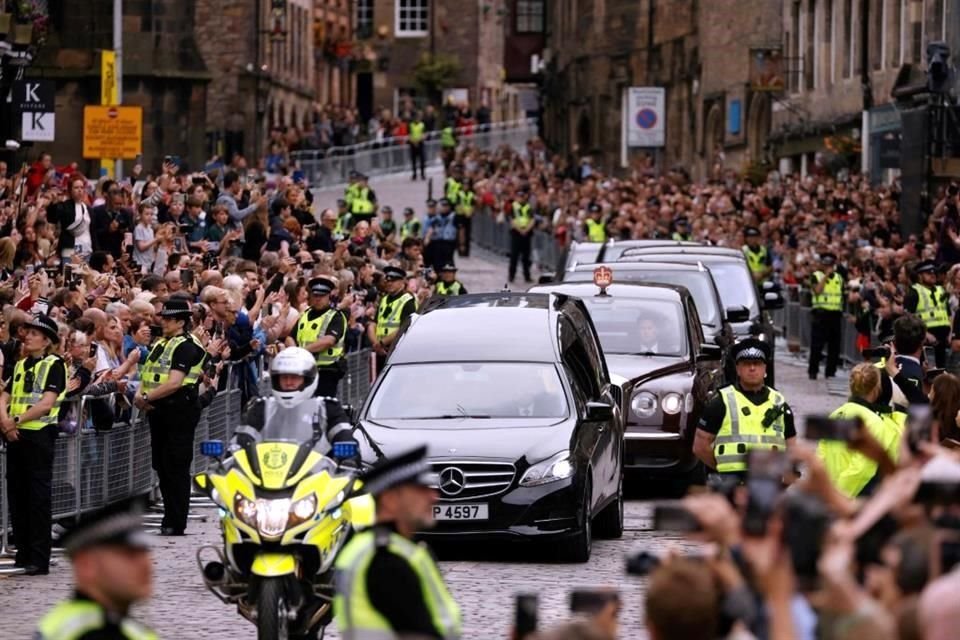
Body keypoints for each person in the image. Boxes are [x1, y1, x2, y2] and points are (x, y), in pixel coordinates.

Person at [333, 445, 462, 640]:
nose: (434, 497)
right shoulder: (388, 561)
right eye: (421, 490)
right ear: (391, 500)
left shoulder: (370, 547)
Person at [0, 314, 67, 575]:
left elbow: (46, 404)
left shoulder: (55, 365)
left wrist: (14, 421)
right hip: (15, 435)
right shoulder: (20, 364)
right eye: (27, 333)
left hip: (38, 435)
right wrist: (6, 421)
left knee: (38, 497)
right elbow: (4, 395)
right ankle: (23, 552)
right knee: (17, 494)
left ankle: (38, 558)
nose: (27, 336)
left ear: (47, 340)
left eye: (34, 334)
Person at [134, 299, 207, 536]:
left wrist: (146, 397)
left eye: (167, 319)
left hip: (179, 410)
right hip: (159, 409)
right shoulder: (162, 344)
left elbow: (175, 382)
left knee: (176, 465)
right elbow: (148, 373)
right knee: (162, 465)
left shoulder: (186, 345)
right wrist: (141, 395)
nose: (162, 322)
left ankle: (176, 520)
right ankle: (169, 515)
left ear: (180, 321)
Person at [693, 338, 796, 478]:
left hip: (769, 484)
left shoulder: (779, 403)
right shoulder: (721, 402)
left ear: (765, 368)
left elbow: (792, 449)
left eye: (757, 364)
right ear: (738, 369)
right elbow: (700, 446)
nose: (752, 368)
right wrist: (722, 469)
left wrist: (787, 479)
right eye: (746, 364)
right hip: (731, 484)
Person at [242, 346, 355, 448]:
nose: (288, 382)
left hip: (316, 469)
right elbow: (242, 439)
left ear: (308, 379)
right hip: (268, 468)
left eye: (295, 377)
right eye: (284, 377)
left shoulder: (327, 408)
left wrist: (348, 459)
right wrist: (234, 450)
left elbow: (344, 437)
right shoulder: (262, 407)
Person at [817, 363, 901, 497]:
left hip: (828, 493)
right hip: (853, 497)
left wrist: (826, 491)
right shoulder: (875, 423)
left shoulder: (835, 414)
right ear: (876, 388)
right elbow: (862, 468)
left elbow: (820, 457)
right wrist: (839, 496)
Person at [290, 277, 346, 398]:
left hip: (326, 371)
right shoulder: (305, 315)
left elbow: (329, 341)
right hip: (304, 370)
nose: (318, 299)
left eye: (322, 295)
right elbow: (291, 337)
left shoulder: (336, 316)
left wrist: (302, 351)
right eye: (315, 295)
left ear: (328, 296)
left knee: (323, 408)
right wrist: (293, 353)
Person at [369, 266, 417, 373]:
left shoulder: (407, 301)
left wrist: (381, 343)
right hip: (380, 350)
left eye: (394, 281)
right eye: (387, 281)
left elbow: (404, 326)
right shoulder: (384, 299)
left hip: (397, 350)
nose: (389, 283)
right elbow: (373, 324)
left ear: (402, 282)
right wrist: (376, 344)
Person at [905, 259, 950, 368]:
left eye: (934, 272)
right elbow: (909, 316)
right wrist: (925, 334)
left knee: (943, 368)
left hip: (944, 338)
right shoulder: (914, 291)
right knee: (928, 370)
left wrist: (950, 333)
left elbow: (948, 314)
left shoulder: (941, 290)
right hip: (925, 338)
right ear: (920, 276)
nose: (932, 275)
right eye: (928, 273)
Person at [809, 252, 845, 380]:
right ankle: (813, 371)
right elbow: (817, 290)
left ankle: (830, 372)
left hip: (835, 315)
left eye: (830, 265)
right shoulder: (816, 276)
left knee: (834, 346)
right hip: (820, 315)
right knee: (817, 345)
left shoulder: (839, 278)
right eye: (826, 265)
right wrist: (826, 276)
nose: (828, 267)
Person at [508, 188, 535, 284]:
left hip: (526, 234)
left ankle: (527, 276)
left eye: (522, 197)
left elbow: (532, 220)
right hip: (516, 233)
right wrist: (520, 230)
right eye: (519, 197)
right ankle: (511, 276)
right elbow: (511, 220)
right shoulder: (513, 207)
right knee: (514, 256)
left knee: (526, 257)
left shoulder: (528, 207)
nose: (521, 199)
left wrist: (526, 230)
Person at [426, 198, 458, 273]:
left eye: (446, 206)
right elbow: (431, 228)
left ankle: (450, 275)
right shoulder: (437, 217)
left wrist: (461, 243)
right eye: (442, 205)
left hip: (449, 242)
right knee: (437, 262)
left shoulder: (454, 216)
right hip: (438, 242)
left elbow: (460, 229)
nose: (444, 208)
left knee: (448, 261)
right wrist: (427, 238)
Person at [456, 178, 476, 256]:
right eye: (464, 184)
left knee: (467, 233)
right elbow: (458, 205)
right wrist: (465, 212)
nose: (466, 186)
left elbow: (473, 205)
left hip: (468, 216)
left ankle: (467, 251)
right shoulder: (459, 194)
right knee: (461, 233)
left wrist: (470, 213)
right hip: (461, 215)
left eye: (467, 184)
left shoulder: (471, 194)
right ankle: (460, 249)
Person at [409, 111, 427, 181]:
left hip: (420, 144)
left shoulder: (422, 125)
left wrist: (419, 140)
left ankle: (422, 174)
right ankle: (414, 174)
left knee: (422, 160)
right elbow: (409, 134)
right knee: (414, 161)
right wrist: (413, 141)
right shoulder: (411, 125)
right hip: (413, 145)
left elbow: (424, 134)